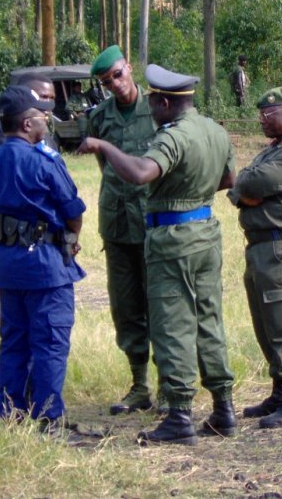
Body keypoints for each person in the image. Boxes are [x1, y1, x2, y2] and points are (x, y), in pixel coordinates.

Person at [78, 64, 236, 446]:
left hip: (173, 239)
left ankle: (179, 413)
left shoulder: (173, 137)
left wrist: (104, 146)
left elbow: (139, 173)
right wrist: (193, 190)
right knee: (208, 319)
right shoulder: (215, 131)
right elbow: (229, 179)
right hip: (206, 233)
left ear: (166, 102)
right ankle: (223, 407)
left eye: (155, 99)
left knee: (172, 323)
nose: (151, 105)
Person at [0, 85, 86, 431]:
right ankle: (49, 419)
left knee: (14, 340)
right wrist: (71, 238)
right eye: (41, 113)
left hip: (8, 264)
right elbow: (72, 209)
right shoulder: (44, 161)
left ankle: (11, 414)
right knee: (50, 342)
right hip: (45, 266)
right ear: (27, 124)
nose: (46, 117)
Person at [228, 87, 282, 429]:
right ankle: (280, 391)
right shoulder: (275, 151)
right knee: (266, 325)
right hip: (262, 247)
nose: (261, 120)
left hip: (281, 248)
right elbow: (244, 182)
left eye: (268, 115)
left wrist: (246, 191)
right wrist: (245, 190)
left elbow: (251, 183)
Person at [84, 45, 159, 415]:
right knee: (126, 306)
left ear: (129, 67)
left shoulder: (159, 110)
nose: (114, 84)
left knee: (161, 303)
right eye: (106, 81)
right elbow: (106, 166)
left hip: (153, 223)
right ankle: (140, 385)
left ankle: (173, 385)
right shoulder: (100, 119)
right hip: (116, 224)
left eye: (117, 74)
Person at [0, 73, 60, 276]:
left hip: (44, 240)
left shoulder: (48, 136)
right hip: (12, 233)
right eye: (43, 97)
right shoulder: (1, 132)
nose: (49, 104)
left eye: (52, 98)